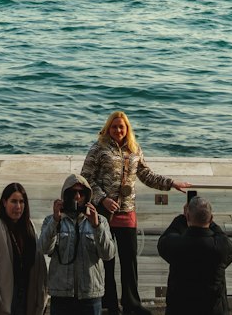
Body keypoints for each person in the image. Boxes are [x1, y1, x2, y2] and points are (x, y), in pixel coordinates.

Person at [82, 111, 191, 315]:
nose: (118, 130)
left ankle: (132, 304)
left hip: (127, 213)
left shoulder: (134, 149)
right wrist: (103, 199)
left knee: (129, 261)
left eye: (121, 127)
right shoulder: (98, 148)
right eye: (114, 127)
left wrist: (171, 183)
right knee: (106, 261)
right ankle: (109, 305)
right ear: (108, 128)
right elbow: (86, 178)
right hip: (104, 214)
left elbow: (146, 175)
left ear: (127, 128)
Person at [39, 172, 115, 315]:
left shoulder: (100, 220)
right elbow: (43, 248)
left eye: (81, 193)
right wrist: (55, 222)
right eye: (73, 193)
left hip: (90, 295)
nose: (77, 197)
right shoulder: (52, 220)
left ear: (88, 196)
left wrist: (96, 226)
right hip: (61, 295)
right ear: (65, 195)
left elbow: (108, 255)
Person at [157, 195, 232, 315]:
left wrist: (182, 219)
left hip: (180, 308)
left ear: (188, 216)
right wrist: (210, 222)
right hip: (213, 309)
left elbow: (163, 241)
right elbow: (230, 246)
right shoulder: (221, 246)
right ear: (210, 219)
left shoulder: (176, 245)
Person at [0, 181, 48, 315]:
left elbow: (39, 264)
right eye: (14, 201)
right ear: (4, 202)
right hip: (3, 300)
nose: (18, 206)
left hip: (27, 296)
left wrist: (42, 296)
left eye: (22, 202)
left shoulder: (29, 228)